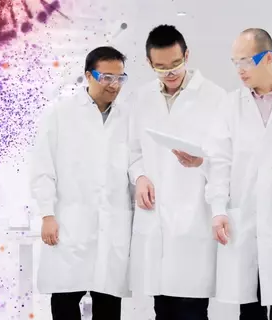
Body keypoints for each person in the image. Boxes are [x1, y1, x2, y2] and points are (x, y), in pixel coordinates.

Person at [127, 25, 226, 320]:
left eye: (176, 64)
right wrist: (140, 176)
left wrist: (202, 161)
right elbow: (133, 151)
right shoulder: (141, 98)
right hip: (155, 219)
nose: (169, 73)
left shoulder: (215, 97)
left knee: (191, 310)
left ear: (187, 55)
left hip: (193, 218)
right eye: (160, 67)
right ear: (149, 63)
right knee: (163, 309)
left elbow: (224, 159)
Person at [30, 46, 133, 320]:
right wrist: (47, 214)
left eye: (120, 78)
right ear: (89, 75)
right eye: (106, 77)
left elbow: (135, 165)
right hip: (70, 222)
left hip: (111, 225)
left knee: (108, 303)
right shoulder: (60, 115)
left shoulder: (128, 118)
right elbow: (43, 168)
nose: (114, 85)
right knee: (65, 300)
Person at [205, 28, 272, 320]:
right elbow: (218, 161)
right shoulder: (231, 105)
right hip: (247, 220)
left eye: (246, 61)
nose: (239, 70)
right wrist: (218, 209)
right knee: (252, 307)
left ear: (268, 58)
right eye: (235, 62)